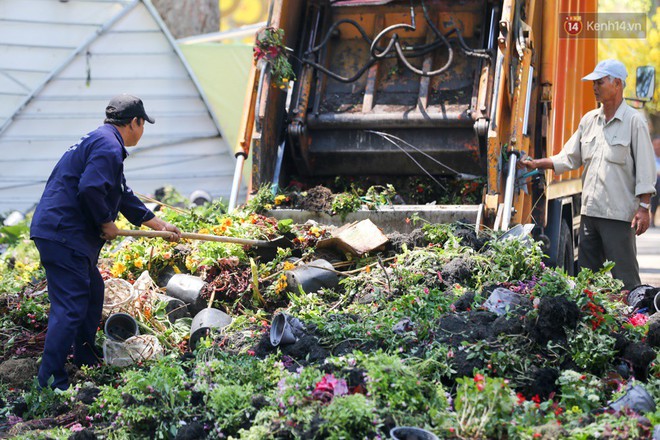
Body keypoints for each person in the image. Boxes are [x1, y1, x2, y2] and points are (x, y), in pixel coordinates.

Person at [30, 94, 181, 390]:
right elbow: (89, 188)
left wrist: (159, 225)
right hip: (63, 234)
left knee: (92, 291)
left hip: (62, 232)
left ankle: (85, 358)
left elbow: (122, 194)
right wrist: (104, 221)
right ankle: (51, 382)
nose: (142, 130)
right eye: (143, 124)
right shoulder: (109, 145)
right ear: (135, 122)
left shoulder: (103, 141)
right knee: (70, 306)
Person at [522, 59, 656, 291]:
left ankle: (634, 323)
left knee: (625, 281)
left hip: (618, 216)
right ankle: (593, 324)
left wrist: (644, 208)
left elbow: (646, 169)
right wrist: (537, 163)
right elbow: (569, 157)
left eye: (599, 82)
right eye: (593, 82)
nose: (594, 87)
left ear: (616, 84)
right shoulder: (589, 121)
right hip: (590, 214)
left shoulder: (634, 122)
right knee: (587, 281)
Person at [651, 135, 660, 227]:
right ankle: (652, 218)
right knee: (656, 185)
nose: (657, 147)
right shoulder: (649, 156)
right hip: (653, 182)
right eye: (655, 144)